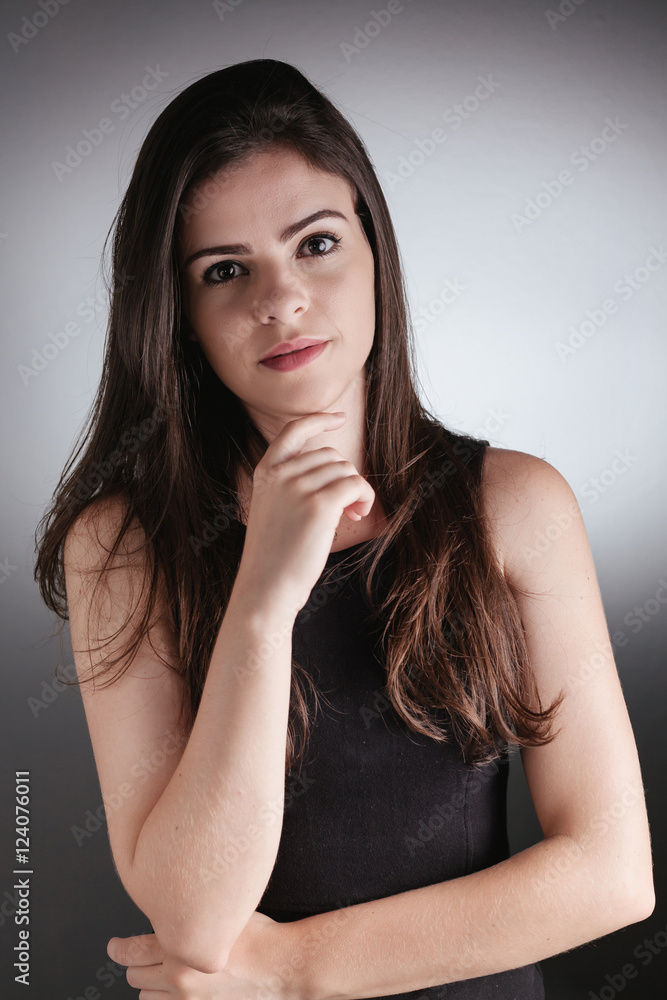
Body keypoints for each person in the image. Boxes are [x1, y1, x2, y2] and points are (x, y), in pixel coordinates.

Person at [34, 59, 654, 1000]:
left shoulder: (513, 506)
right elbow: (194, 918)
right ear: (179, 315)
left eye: (315, 244)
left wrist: (294, 971)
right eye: (225, 270)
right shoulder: (123, 547)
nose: (279, 299)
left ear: (373, 252)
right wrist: (263, 599)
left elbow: (610, 873)